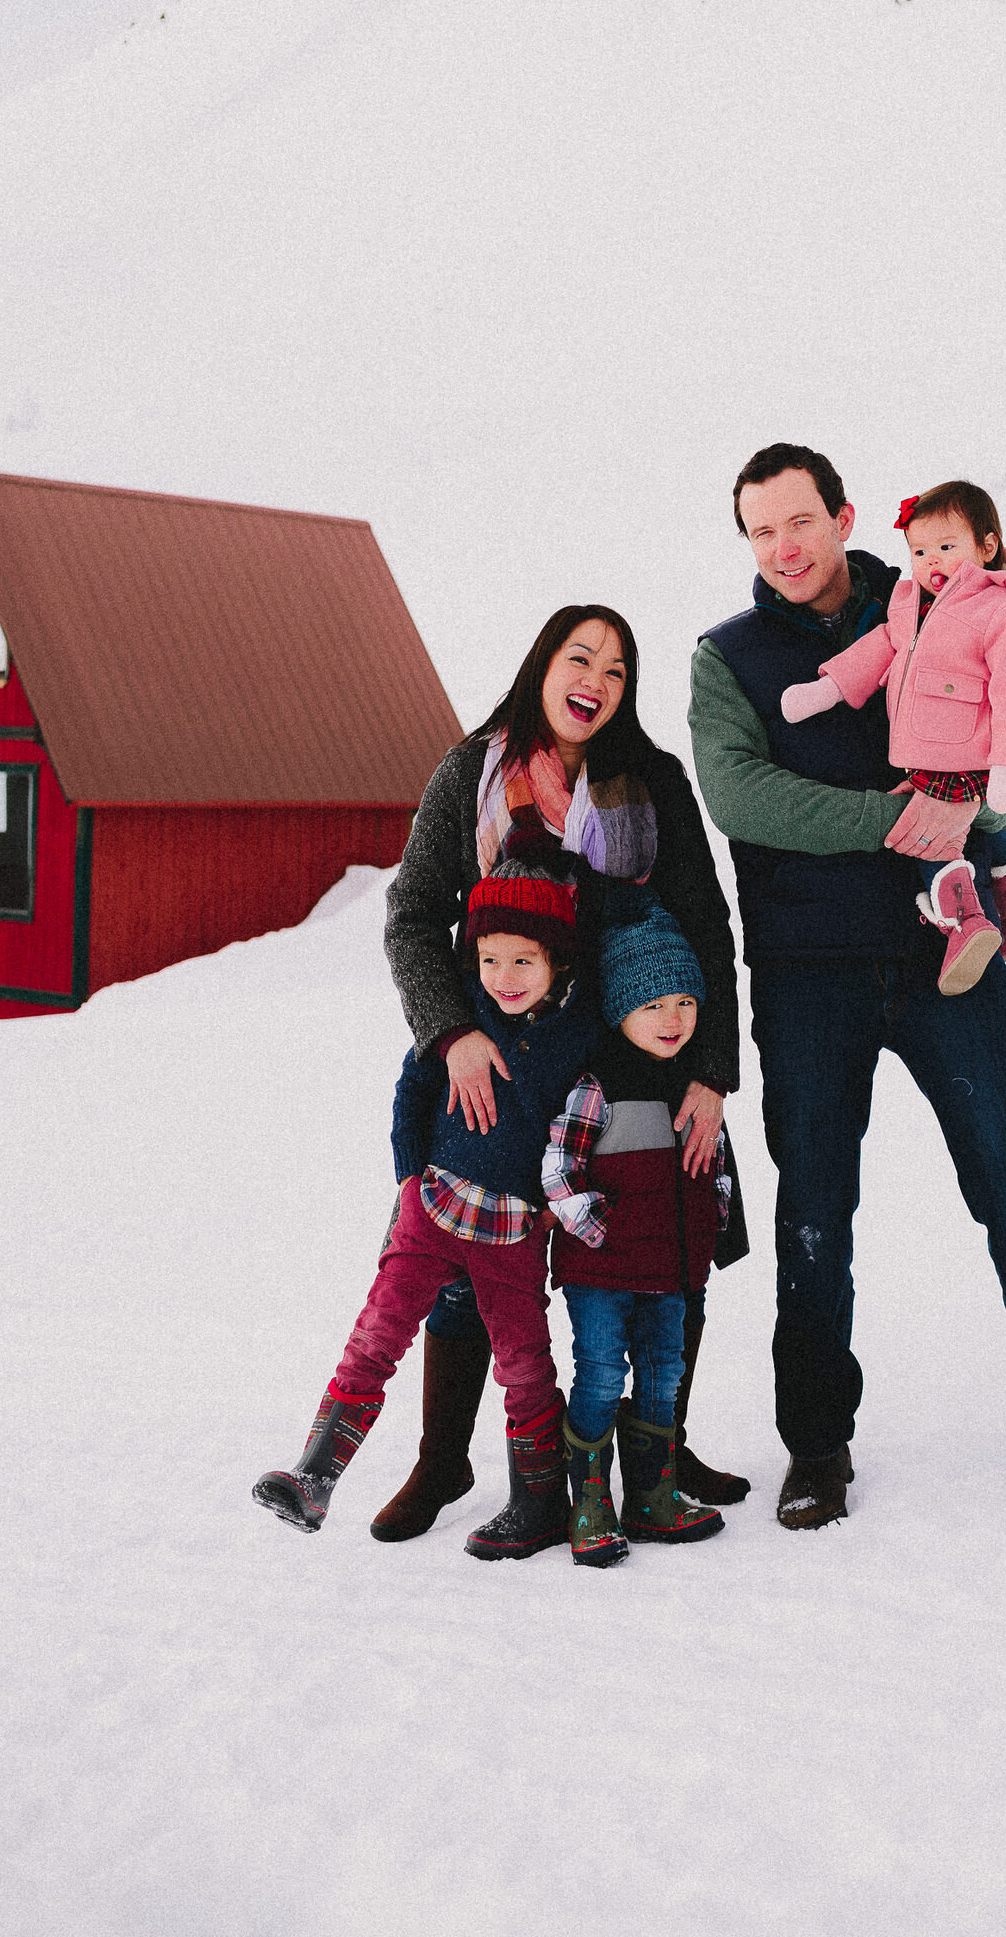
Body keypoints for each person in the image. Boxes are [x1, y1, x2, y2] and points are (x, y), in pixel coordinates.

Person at [688, 442, 1006, 1531]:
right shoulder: (724, 658)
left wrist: (987, 802)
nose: (782, 547)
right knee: (814, 1216)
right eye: (759, 529)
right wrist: (897, 817)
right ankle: (817, 1448)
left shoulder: (946, 594)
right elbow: (741, 797)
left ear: (842, 518)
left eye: (799, 521)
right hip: (806, 975)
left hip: (951, 958)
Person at [376, 603, 747, 1543]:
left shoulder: (650, 781)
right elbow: (413, 916)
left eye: (618, 669)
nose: (597, 680)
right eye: (580, 658)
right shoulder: (475, 773)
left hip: (638, 1061)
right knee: (471, 1256)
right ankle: (444, 1457)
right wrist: (449, 1032)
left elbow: (707, 927)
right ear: (543, 666)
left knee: (658, 1250)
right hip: (498, 1052)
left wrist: (709, 1070)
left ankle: (655, 1452)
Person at [252, 846, 597, 1554]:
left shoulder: (573, 1039)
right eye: (490, 959)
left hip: (511, 1233)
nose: (503, 978)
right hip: (431, 1211)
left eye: (523, 962)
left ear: (557, 964)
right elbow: (410, 1097)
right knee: (375, 1338)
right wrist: (410, 1178)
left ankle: (540, 1494)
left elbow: (576, 1134)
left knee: (525, 1363)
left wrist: (548, 1206)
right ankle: (315, 1476)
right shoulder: (457, 1020)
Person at [781, 477, 1006, 993]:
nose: (931, 562)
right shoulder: (911, 603)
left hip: (962, 753)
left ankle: (964, 923)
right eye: (919, 550)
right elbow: (882, 647)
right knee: (978, 829)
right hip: (929, 750)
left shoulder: (1005, 611)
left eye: (947, 548)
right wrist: (829, 688)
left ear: (987, 546)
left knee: (931, 841)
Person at [543, 904, 731, 1566]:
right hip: (604, 1270)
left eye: (684, 1002)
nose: (673, 1019)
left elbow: (714, 1170)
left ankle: (653, 1494)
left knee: (663, 1377)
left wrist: (710, 1231)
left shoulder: (695, 1088)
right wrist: (602, 1230)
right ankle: (590, 1502)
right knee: (599, 1375)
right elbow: (560, 1171)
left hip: (673, 1270)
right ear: (619, 1009)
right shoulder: (598, 1087)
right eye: (652, 1005)